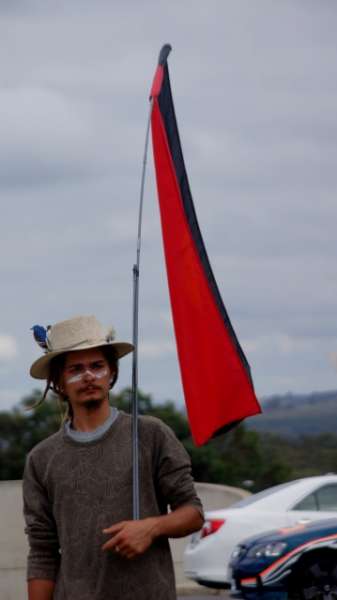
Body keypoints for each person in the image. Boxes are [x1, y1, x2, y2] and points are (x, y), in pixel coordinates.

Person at [23, 315, 203, 600]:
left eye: (97, 366)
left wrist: (151, 527)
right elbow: (42, 552)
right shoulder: (41, 459)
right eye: (76, 369)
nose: (88, 376)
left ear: (112, 372)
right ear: (58, 381)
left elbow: (193, 513)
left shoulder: (150, 435)